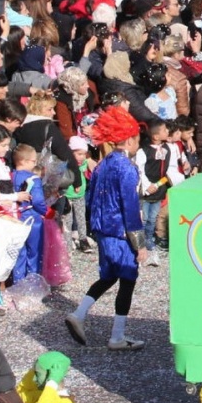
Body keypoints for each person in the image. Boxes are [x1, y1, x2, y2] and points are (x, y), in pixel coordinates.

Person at [65, 105, 148, 351]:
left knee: (109, 276)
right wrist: (140, 243)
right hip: (121, 232)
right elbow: (130, 207)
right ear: (130, 139)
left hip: (102, 229)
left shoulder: (103, 164)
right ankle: (117, 336)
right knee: (127, 280)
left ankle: (80, 314)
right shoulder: (127, 168)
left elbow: (91, 199)